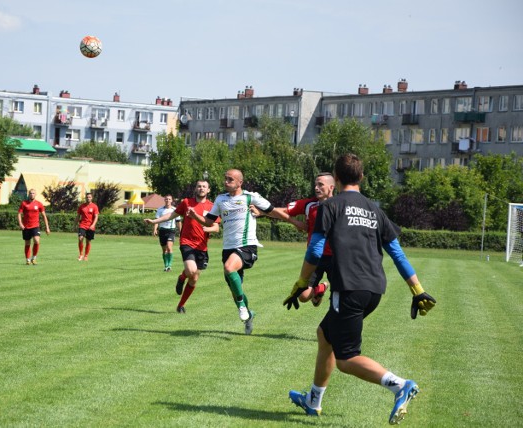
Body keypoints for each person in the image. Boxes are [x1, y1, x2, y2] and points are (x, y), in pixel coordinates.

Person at [286, 154, 436, 424]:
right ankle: (313, 400)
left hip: (349, 287)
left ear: (337, 177)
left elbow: (316, 249)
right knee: (325, 335)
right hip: (374, 289)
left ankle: (399, 385)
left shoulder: (329, 206)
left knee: (346, 358)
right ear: (362, 177)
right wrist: (418, 290)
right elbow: (397, 254)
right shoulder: (374, 209)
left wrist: (301, 282)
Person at [187, 169, 288, 334]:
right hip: (228, 248)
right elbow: (208, 221)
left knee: (229, 268)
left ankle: (242, 306)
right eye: (225, 179)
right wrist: (194, 216)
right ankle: (249, 315)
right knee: (236, 290)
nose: (226, 182)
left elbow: (273, 210)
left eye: (230, 179)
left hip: (247, 246)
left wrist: (293, 221)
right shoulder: (220, 199)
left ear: (240, 182)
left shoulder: (250, 197)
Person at [144, 180, 219, 313]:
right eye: (199, 186)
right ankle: (182, 277)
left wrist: (208, 230)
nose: (201, 188)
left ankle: (181, 305)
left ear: (208, 190)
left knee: (194, 278)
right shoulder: (186, 202)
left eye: (204, 186)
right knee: (191, 270)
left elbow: (216, 226)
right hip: (187, 242)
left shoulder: (212, 207)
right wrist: (154, 221)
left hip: (202, 246)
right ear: (195, 189)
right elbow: (171, 215)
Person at [281, 172, 336, 309]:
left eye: (320, 185)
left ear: (331, 187)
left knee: (340, 296)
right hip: (315, 257)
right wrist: (263, 211)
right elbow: (282, 210)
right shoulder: (309, 204)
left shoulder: (340, 205)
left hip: (336, 257)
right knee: (303, 296)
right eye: (315, 185)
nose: (316, 188)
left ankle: (321, 291)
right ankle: (320, 289)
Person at [17, 188, 50, 265]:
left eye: (33, 193)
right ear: (28, 194)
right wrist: (20, 224)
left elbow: (44, 216)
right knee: (27, 243)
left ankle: (34, 258)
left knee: (36, 240)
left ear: (35, 194)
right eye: (31, 193)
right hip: (26, 227)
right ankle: (28, 259)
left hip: (35, 226)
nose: (32, 194)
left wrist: (47, 227)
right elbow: (19, 214)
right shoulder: (24, 203)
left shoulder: (39, 204)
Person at [152, 195, 181, 271]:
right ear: (164, 200)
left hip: (171, 231)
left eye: (169, 199)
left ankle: (169, 266)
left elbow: (178, 221)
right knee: (164, 250)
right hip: (162, 231)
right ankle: (166, 266)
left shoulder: (175, 210)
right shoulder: (160, 210)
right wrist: (155, 229)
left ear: (172, 200)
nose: (168, 200)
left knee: (169, 247)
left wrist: (181, 231)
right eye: (166, 199)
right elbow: (156, 221)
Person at [76, 192, 99, 261]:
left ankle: (86, 256)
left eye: (89, 197)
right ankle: (81, 255)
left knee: (88, 241)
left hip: (90, 227)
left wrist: (93, 225)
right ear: (85, 198)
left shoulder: (94, 206)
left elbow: (96, 217)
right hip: (82, 225)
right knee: (80, 238)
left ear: (92, 198)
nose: (88, 198)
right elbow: (78, 216)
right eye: (87, 197)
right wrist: (74, 225)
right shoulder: (81, 206)